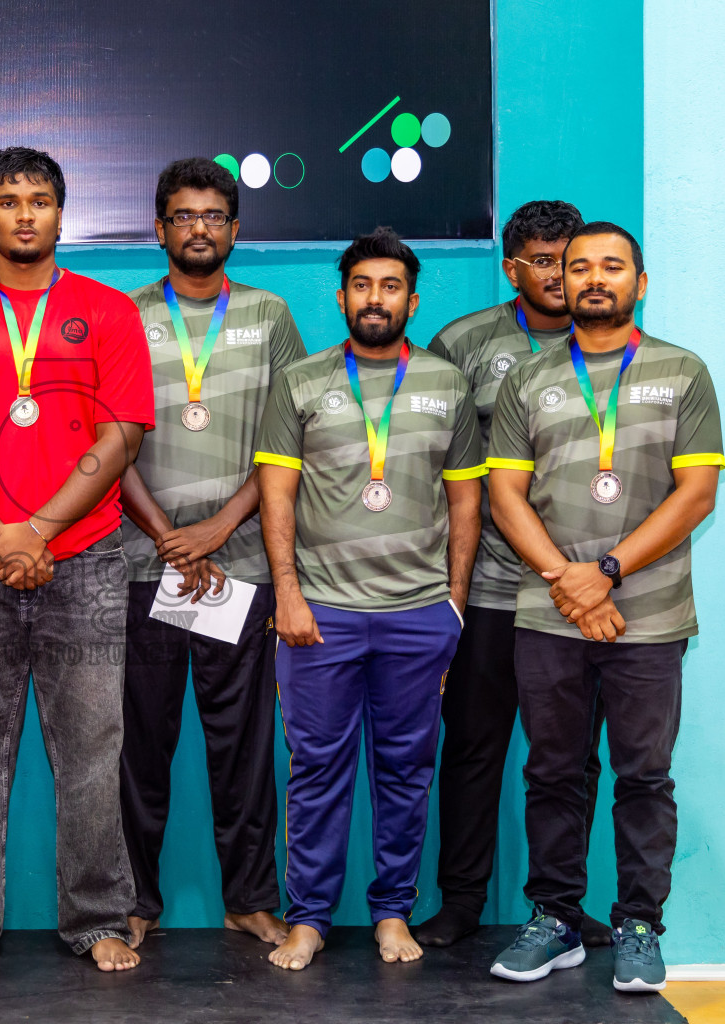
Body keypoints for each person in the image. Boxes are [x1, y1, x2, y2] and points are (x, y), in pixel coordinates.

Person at [0, 147, 154, 974]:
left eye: (39, 200)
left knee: (90, 750)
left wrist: (36, 530)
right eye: (6, 200)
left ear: (59, 213)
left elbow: (122, 436)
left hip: (83, 560)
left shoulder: (109, 313)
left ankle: (96, 917)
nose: (23, 213)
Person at [485, 222, 722, 992]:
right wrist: (569, 580)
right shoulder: (530, 380)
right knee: (554, 772)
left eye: (611, 267)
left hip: (648, 615)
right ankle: (556, 920)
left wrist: (609, 572)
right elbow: (504, 495)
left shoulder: (683, 372)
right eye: (578, 266)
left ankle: (640, 926)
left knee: (644, 776)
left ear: (639, 283)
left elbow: (697, 494)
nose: (593, 278)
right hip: (550, 611)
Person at [254, 227, 484, 971]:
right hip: (321, 614)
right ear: (341, 296)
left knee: (405, 772)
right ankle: (309, 920)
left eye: (390, 287)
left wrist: (452, 608)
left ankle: (392, 913)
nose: (375, 299)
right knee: (317, 771)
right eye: (361, 285)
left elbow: (466, 505)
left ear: (412, 299)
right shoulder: (301, 382)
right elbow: (276, 496)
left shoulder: (447, 382)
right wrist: (287, 594)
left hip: (418, 616)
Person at [118, 157, 305, 950]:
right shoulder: (124, 316)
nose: (199, 228)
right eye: (183, 216)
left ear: (234, 229)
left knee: (244, 747)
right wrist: (166, 535)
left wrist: (218, 530)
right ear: (160, 230)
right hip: (139, 565)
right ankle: (133, 899)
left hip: (241, 568)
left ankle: (250, 897)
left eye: (213, 215)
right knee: (139, 748)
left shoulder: (270, 316)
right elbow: (107, 442)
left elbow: (287, 444)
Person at [414, 200, 612, 949]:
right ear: (512, 268)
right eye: (542, 260)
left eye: (571, 259)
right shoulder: (465, 343)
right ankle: (462, 901)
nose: (560, 275)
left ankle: (561, 903)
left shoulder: (612, 348)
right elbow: (427, 460)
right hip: (495, 589)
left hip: (580, 593)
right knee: (472, 745)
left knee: (569, 757)